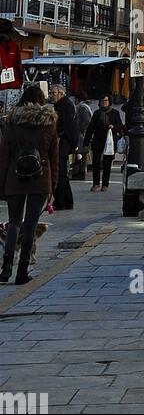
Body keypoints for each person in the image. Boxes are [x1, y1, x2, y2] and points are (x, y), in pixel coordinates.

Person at [0, 84, 59, 285]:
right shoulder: (49, 122)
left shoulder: (12, 122)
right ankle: (22, 271)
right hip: (40, 178)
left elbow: (4, 155)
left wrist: (2, 183)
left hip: (15, 178)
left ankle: (6, 268)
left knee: (14, 222)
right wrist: (54, 184)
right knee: (31, 223)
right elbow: (54, 156)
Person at [84, 95, 124, 193]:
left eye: (106, 100)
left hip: (109, 142)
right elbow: (91, 128)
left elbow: (120, 126)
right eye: (103, 100)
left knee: (107, 164)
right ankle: (96, 183)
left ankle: (105, 184)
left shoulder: (115, 113)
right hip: (98, 141)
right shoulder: (97, 113)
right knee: (96, 163)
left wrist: (113, 127)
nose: (105, 102)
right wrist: (86, 141)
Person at [50, 83, 77, 210]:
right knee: (62, 174)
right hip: (62, 142)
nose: (52, 96)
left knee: (60, 173)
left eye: (53, 93)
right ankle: (66, 201)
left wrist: (72, 143)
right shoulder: (60, 105)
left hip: (62, 143)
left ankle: (61, 201)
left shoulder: (65, 105)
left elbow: (67, 126)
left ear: (61, 93)